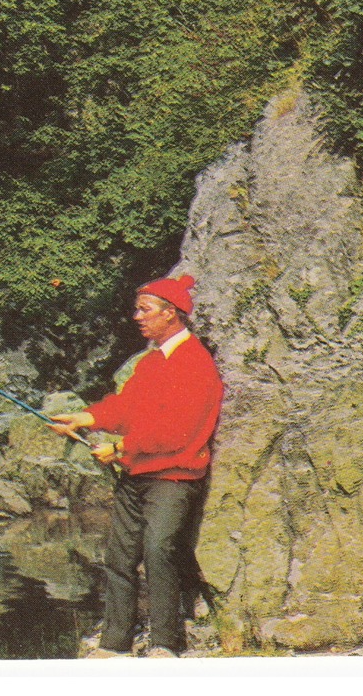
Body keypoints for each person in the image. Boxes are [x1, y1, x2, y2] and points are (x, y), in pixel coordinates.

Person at [51, 275, 223, 658]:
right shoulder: (149, 363)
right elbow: (125, 409)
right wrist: (85, 418)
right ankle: (114, 645)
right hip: (136, 473)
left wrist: (121, 446)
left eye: (144, 310)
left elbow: (179, 430)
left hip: (174, 477)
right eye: (137, 310)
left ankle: (165, 643)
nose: (136, 317)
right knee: (119, 557)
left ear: (170, 313)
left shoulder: (195, 362)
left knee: (159, 550)